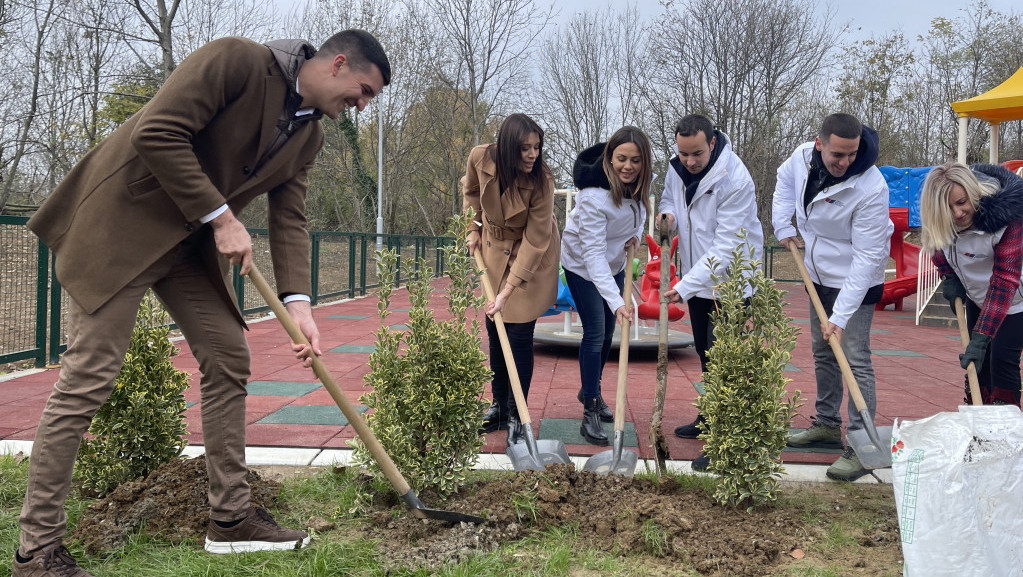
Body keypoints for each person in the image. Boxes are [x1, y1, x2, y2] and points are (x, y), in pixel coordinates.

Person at [14, 31, 391, 576]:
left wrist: (300, 304)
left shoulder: (308, 139)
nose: (361, 106)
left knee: (228, 356)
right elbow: (158, 132)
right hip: (123, 229)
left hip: (188, 248)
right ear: (337, 64)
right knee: (91, 374)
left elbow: (291, 219)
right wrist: (223, 217)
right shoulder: (236, 61)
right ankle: (37, 549)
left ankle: (231, 519)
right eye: (363, 91)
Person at [772, 113, 893, 482]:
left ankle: (860, 442)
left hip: (857, 279)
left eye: (852, 155)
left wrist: (839, 317)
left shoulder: (871, 186)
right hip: (818, 273)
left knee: (853, 356)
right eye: (837, 154)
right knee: (822, 351)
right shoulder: (800, 158)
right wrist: (782, 225)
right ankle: (826, 423)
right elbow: (783, 185)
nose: (845, 162)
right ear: (819, 144)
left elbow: (868, 257)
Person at [656, 114, 764, 471]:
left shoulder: (736, 178)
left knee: (725, 358)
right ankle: (711, 417)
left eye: (697, 154)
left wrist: (681, 287)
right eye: (684, 153)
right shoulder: (677, 168)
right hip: (698, 277)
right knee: (704, 350)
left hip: (730, 279)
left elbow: (726, 246)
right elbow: (669, 202)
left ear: (713, 143)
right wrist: (667, 218)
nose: (690, 161)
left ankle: (726, 437)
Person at [463, 113, 561, 446]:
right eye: (524, 149)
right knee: (494, 328)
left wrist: (506, 292)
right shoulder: (480, 157)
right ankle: (499, 406)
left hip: (531, 256)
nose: (533, 154)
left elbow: (535, 242)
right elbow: (472, 192)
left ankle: (519, 414)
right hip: (493, 249)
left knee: (518, 334)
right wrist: (473, 226)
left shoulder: (542, 182)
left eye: (536, 147)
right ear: (507, 149)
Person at [560, 127, 652, 445]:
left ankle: (591, 391)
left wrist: (636, 235)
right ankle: (590, 412)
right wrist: (617, 301)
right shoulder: (593, 197)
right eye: (621, 159)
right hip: (583, 266)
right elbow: (593, 257)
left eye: (635, 160)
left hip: (613, 263)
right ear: (609, 158)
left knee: (609, 334)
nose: (628, 166)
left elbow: (640, 213)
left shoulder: (637, 188)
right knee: (596, 331)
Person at [920, 162, 1023, 408]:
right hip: (979, 298)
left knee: (1001, 359)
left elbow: (1005, 280)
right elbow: (939, 248)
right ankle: (979, 417)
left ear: (973, 193)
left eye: (962, 202)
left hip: (1015, 300)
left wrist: (982, 335)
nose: (957, 213)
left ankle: (1004, 425)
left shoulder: (1008, 219)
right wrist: (949, 276)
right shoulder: (941, 221)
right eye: (948, 207)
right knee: (977, 363)